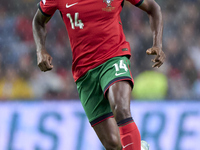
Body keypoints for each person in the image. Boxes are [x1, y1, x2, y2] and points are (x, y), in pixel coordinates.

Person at [32, 0, 165, 149]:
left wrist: (157, 44)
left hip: (113, 58)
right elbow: (38, 22)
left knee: (121, 109)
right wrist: (40, 51)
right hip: (84, 73)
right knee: (113, 144)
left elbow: (153, 8)